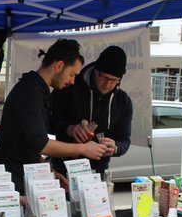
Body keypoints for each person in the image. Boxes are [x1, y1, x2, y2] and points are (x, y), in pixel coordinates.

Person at [0, 38, 107, 197]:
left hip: (21, 178)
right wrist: (83, 148)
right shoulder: (29, 93)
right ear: (59, 66)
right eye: (72, 74)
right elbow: (40, 144)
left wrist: (48, 172)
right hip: (8, 182)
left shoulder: (40, 91)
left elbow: (29, 145)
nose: (72, 81)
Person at [50, 46, 133, 179]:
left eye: (114, 80)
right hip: (62, 167)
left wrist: (115, 147)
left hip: (97, 172)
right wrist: (69, 129)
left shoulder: (123, 101)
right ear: (95, 70)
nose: (107, 84)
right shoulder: (68, 86)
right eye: (104, 77)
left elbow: (125, 140)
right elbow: (47, 122)